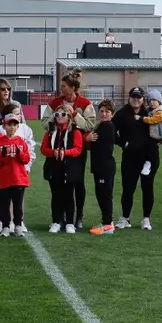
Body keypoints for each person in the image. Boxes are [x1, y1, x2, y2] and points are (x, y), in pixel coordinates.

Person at [47, 71, 98, 225]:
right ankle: (61, 217)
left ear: (73, 88)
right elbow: (45, 123)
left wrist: (74, 114)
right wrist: (56, 116)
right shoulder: (55, 103)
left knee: (77, 182)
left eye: (64, 86)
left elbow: (90, 125)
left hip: (77, 149)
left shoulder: (85, 103)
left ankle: (79, 216)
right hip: (58, 149)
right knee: (61, 183)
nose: (61, 89)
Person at [111, 87, 155, 229]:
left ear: (143, 99)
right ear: (129, 97)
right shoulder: (122, 114)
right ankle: (125, 218)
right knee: (128, 188)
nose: (136, 99)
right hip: (130, 157)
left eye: (139, 97)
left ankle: (146, 219)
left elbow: (161, 129)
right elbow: (111, 131)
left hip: (149, 157)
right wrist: (123, 143)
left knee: (147, 188)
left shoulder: (149, 112)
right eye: (133, 97)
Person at [41, 104, 85, 233]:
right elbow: (43, 148)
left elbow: (78, 149)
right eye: (57, 114)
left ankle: (70, 222)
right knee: (56, 195)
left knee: (69, 196)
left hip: (69, 169)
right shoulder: (51, 132)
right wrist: (52, 152)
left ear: (69, 117)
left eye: (63, 114)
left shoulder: (75, 131)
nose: (60, 117)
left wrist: (65, 152)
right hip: (54, 168)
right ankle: (56, 221)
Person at [0, 113, 34, 235]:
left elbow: (26, 159)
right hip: (5, 179)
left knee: (18, 205)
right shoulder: (0, 142)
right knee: (4, 204)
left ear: (17, 127)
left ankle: (18, 226)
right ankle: (6, 226)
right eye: (9, 124)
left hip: (19, 179)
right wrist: (3, 155)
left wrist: (19, 153)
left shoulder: (21, 142)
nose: (12, 127)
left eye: (14, 125)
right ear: (4, 126)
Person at [85, 100, 119, 234]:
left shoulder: (108, 126)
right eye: (102, 111)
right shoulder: (101, 125)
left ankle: (108, 224)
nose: (104, 114)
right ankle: (106, 221)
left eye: (107, 111)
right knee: (100, 194)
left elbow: (101, 142)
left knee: (105, 195)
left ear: (112, 114)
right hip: (99, 166)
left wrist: (88, 139)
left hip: (105, 167)